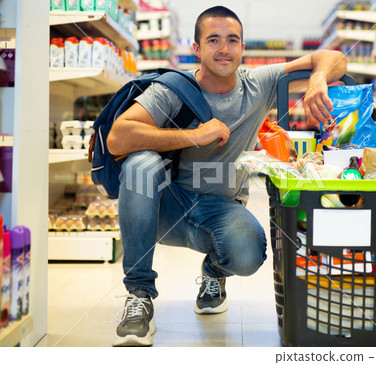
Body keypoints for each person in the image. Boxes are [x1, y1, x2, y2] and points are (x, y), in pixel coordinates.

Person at [108, 6, 347, 346]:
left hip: (221, 207)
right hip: (166, 207)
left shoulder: (259, 83)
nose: (224, 49)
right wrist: (194, 135)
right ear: (196, 49)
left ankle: (214, 275)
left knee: (249, 251)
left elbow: (334, 56)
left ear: (242, 47)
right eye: (214, 40)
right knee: (139, 165)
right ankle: (139, 296)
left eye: (232, 40)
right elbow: (119, 136)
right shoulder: (173, 90)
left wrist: (317, 78)